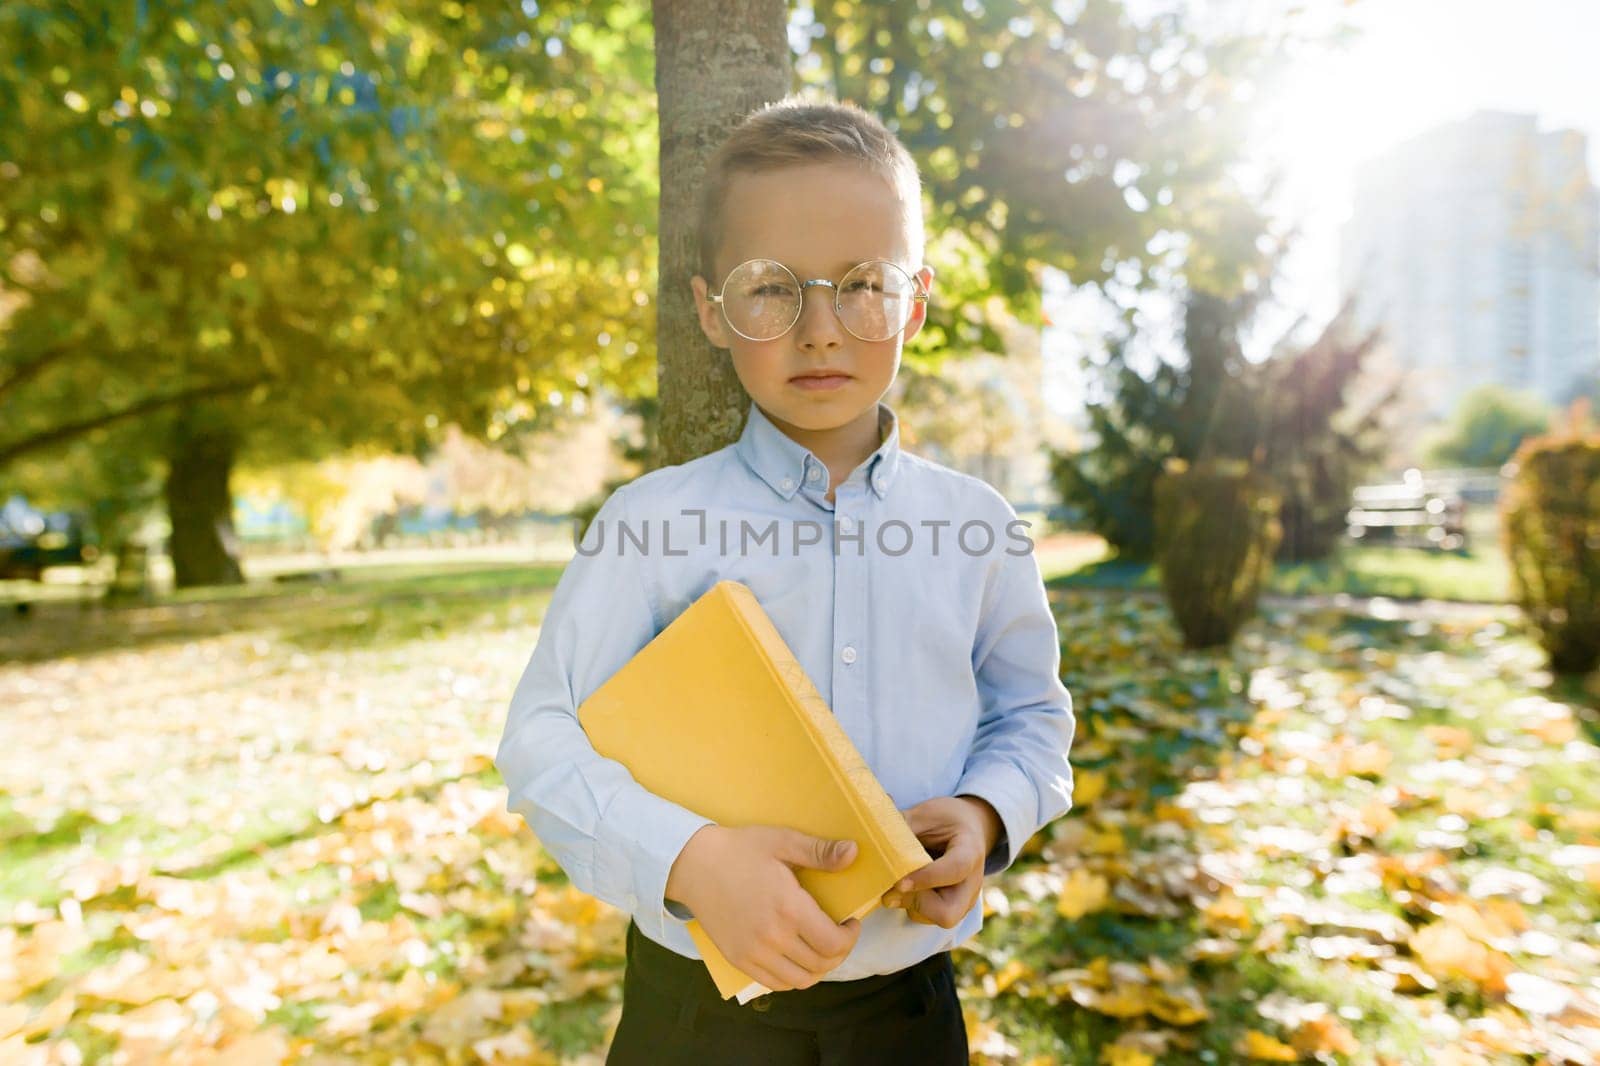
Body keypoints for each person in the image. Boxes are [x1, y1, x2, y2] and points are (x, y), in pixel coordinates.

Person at [494, 95, 1076, 1065]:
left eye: (863, 283)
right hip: (699, 1019)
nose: (820, 329)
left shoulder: (979, 528)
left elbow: (1032, 718)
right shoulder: (649, 527)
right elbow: (542, 743)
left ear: (915, 302)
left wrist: (985, 814)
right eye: (770, 288)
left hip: (908, 1013)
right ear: (708, 311)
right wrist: (689, 856)